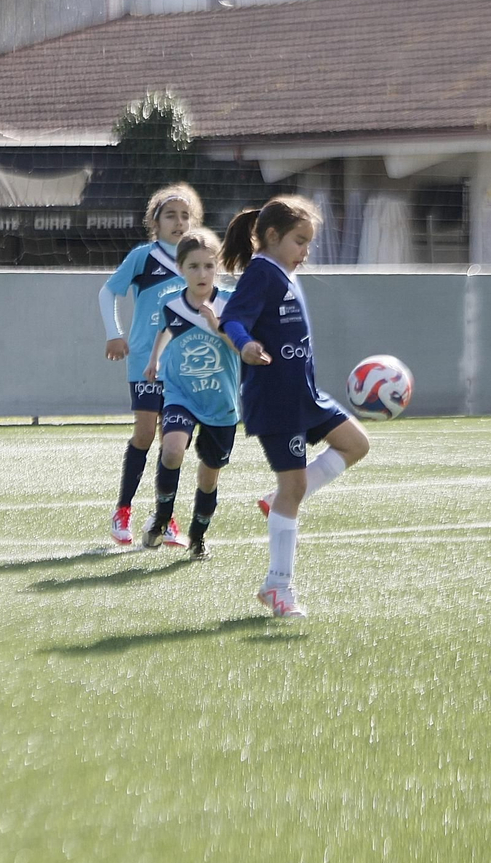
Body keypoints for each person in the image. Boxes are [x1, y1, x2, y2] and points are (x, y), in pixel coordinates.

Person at [218, 196, 369, 619]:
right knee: (295, 490)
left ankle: (277, 498)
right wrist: (245, 345)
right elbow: (231, 318)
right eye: (300, 241)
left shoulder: (283, 272)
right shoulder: (262, 273)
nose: (305, 252)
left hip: (305, 394)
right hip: (276, 401)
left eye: (309, 243)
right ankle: (277, 587)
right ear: (271, 236)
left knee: (356, 444)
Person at [99, 184, 200, 547]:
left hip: (183, 365)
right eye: (170, 215)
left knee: (172, 442)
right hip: (146, 360)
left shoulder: (196, 258)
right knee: (145, 433)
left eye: (185, 216)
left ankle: (164, 516)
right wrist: (115, 333)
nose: (179, 222)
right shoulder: (144, 256)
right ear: (154, 221)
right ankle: (122, 511)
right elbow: (108, 291)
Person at [140, 228, 239, 560]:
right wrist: (154, 360)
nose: (202, 273)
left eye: (208, 266)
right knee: (172, 450)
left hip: (220, 402)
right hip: (181, 392)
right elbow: (165, 331)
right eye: (193, 266)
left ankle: (198, 536)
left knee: (209, 476)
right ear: (181, 269)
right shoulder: (171, 305)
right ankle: (163, 518)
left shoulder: (230, 304)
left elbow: (242, 348)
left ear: (218, 268)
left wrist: (218, 326)